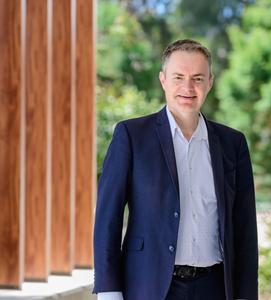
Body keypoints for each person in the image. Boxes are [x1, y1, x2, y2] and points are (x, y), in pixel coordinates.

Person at [93, 39, 258, 300]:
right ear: (163, 80)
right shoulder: (131, 136)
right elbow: (107, 220)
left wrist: (246, 294)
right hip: (150, 286)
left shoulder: (232, 143)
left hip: (215, 287)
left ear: (210, 82)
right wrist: (109, 291)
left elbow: (245, 228)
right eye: (178, 77)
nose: (188, 87)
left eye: (198, 78)